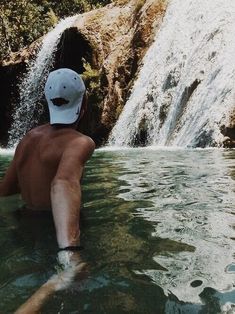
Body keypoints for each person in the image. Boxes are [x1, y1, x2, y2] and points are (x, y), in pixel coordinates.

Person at [0, 67, 95, 257]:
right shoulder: (80, 141)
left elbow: (5, 190)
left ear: (48, 101)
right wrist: (70, 249)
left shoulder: (28, 138)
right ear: (83, 102)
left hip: (25, 224)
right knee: (73, 281)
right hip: (54, 229)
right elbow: (62, 183)